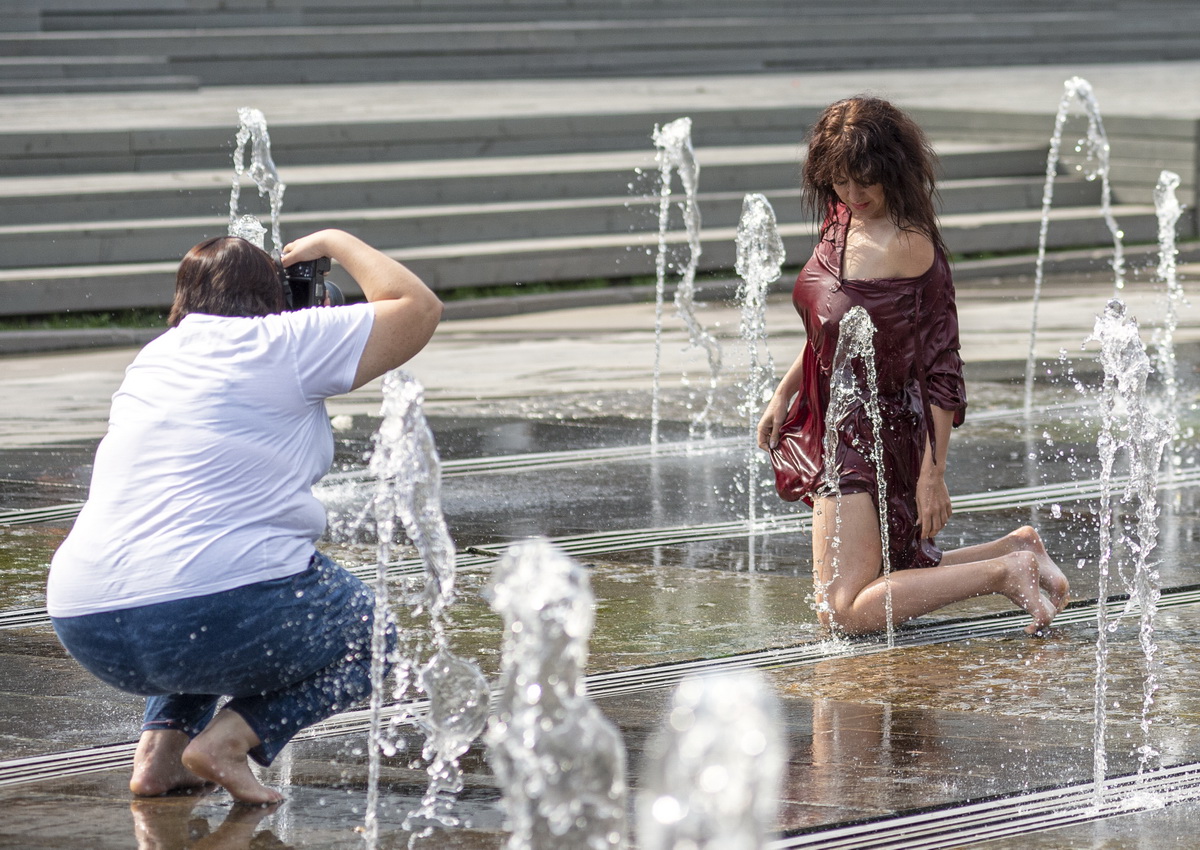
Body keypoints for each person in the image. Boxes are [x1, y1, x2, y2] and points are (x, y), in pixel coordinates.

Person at [47, 229, 443, 804]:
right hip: (206, 609)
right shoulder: (284, 339)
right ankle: (228, 743)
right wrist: (336, 240)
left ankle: (159, 757)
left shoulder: (156, 356)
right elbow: (417, 307)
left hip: (86, 621)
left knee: (208, 590)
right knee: (370, 635)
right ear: (271, 294)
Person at [757, 97, 1070, 637]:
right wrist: (785, 394)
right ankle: (1014, 549)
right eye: (839, 181)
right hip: (838, 419)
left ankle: (1003, 572)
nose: (853, 195)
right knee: (886, 578)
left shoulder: (910, 245)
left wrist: (933, 475)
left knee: (843, 610)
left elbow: (943, 369)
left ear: (893, 172)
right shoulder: (840, 219)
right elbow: (833, 328)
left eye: (865, 182)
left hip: (877, 430)